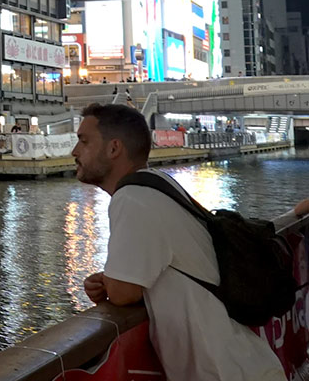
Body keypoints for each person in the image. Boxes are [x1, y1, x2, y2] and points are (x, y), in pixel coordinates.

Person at [71, 103, 282, 381]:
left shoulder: (132, 198)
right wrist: (115, 280)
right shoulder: (158, 183)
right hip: (245, 364)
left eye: (83, 141)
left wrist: (109, 282)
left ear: (113, 149)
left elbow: (124, 292)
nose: (74, 152)